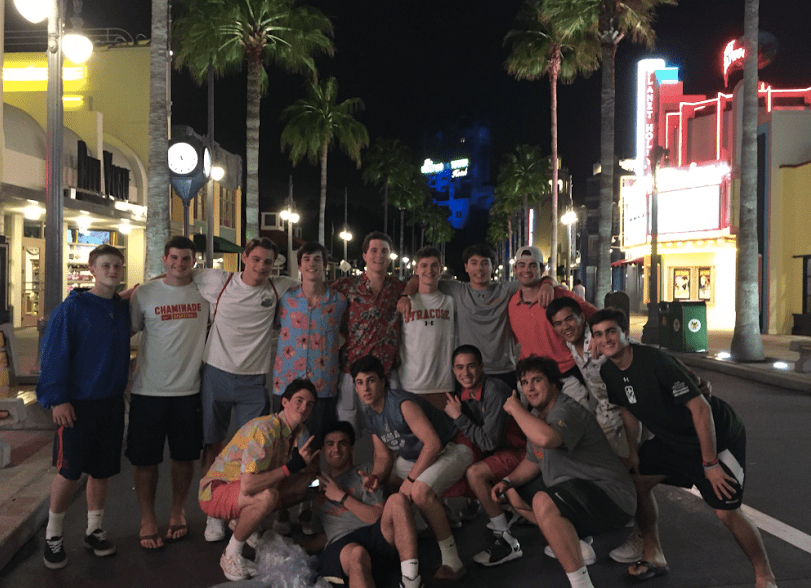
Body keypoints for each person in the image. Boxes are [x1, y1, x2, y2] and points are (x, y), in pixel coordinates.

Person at [590, 308, 777, 588]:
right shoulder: (609, 371)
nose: (606, 339)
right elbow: (628, 410)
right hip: (674, 441)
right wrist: (633, 452)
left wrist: (710, 464)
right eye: (598, 334)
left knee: (726, 511)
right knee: (638, 478)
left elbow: (701, 409)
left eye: (611, 331)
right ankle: (653, 556)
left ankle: (765, 577)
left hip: (717, 436)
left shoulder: (654, 361)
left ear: (626, 333)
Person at [494, 356, 636, 588]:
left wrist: (516, 410)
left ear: (552, 383)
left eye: (536, 380)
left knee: (543, 501)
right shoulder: (538, 419)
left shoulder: (566, 410)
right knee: (514, 494)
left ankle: (581, 584)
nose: (529, 387)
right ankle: (573, 541)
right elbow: (533, 461)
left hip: (610, 496)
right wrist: (507, 481)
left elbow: (548, 439)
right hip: (577, 492)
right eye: (525, 382)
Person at [193, 237, 298, 541]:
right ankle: (213, 512)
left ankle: (242, 513)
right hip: (217, 373)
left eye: (268, 262)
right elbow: (178, 274)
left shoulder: (279, 286)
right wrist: (129, 292)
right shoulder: (218, 281)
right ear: (245, 259)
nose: (262, 266)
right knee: (213, 445)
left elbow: (315, 286)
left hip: (254, 380)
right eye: (256, 260)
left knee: (257, 454)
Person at [37, 244, 130, 569]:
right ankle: (53, 536)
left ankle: (93, 530)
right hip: (76, 405)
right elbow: (52, 354)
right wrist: (56, 398)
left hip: (110, 404)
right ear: (92, 268)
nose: (112, 271)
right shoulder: (72, 308)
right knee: (69, 471)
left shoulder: (120, 308)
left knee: (101, 470)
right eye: (106, 265)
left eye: (117, 265)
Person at [352, 355, 474, 582]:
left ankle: (453, 560)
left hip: (453, 446)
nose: (365, 388)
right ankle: (426, 525)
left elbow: (433, 443)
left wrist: (411, 478)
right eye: (359, 383)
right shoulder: (371, 415)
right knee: (391, 484)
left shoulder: (401, 404)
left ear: (382, 381)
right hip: (422, 454)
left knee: (419, 491)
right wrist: (376, 476)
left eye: (370, 380)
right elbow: (383, 455)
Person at [127, 236, 209, 550]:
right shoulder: (144, 294)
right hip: (148, 391)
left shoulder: (204, 292)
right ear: (165, 259)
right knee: (144, 461)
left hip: (188, 392)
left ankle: (178, 510)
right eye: (173, 258)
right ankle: (147, 518)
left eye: (185, 259)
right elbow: (129, 331)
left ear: (193, 261)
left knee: (183, 458)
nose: (179, 264)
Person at [198, 379, 319, 581]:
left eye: (309, 404)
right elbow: (248, 485)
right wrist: (291, 467)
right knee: (267, 495)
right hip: (216, 491)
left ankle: (243, 521)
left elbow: (306, 473)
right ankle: (231, 554)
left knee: (304, 483)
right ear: (285, 402)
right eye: (299, 401)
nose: (304, 407)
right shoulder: (266, 429)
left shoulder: (294, 432)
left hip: (239, 489)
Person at [398, 243, 554, 391]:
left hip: (503, 371)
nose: (479, 268)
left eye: (485, 263)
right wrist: (405, 295)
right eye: (473, 263)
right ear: (466, 267)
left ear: (492, 267)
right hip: (468, 374)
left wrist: (547, 282)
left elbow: (532, 280)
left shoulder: (506, 289)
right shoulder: (457, 290)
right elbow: (421, 278)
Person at [439, 345, 526, 567]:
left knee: (475, 473)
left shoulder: (494, 391)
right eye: (459, 368)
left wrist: (458, 416)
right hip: (500, 450)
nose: (465, 373)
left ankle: (505, 539)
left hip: (522, 453)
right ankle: (504, 510)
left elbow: (488, 441)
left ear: (481, 367)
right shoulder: (463, 392)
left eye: (471, 367)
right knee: (455, 461)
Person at [312, 421, 424, 588]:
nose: (336, 449)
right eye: (330, 444)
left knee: (398, 500)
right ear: (323, 451)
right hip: (342, 545)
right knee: (357, 554)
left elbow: (377, 516)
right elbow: (327, 532)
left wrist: (342, 497)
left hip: (375, 534)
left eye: (342, 444)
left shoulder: (364, 473)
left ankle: (411, 581)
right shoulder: (317, 484)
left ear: (351, 449)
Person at [272, 242, 348, 443]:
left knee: (314, 446)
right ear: (299, 266)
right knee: (281, 446)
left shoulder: (339, 301)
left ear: (325, 265)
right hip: (287, 384)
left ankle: (312, 476)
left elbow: (348, 332)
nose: (311, 264)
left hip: (322, 385)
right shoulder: (285, 299)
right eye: (306, 259)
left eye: (317, 259)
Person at [333, 232, 405, 436]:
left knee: (390, 429)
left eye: (384, 251)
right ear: (364, 255)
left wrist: (407, 294)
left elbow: (418, 281)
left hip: (385, 372)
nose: (379, 256)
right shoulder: (346, 286)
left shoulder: (398, 288)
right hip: (351, 370)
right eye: (374, 250)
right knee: (348, 428)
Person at [508, 246, 596, 409]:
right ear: (514, 269)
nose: (526, 270)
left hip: (566, 378)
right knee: (536, 430)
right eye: (521, 265)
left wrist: (598, 338)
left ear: (542, 270)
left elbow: (595, 315)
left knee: (578, 426)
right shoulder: (512, 303)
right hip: (531, 379)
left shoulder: (560, 295)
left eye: (533, 265)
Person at [397, 246, 454, 408]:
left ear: (441, 269)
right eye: (423, 265)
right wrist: (405, 295)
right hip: (411, 384)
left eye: (434, 265)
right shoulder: (405, 301)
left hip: (444, 384)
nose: (429, 270)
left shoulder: (450, 302)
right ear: (415, 269)